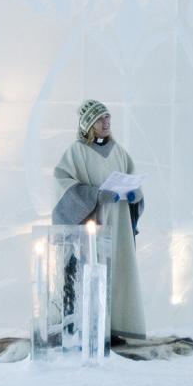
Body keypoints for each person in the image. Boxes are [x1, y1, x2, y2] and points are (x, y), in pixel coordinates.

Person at [52, 99, 146, 339]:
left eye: (108, 117)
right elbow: (62, 183)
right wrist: (95, 195)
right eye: (99, 119)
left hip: (119, 225)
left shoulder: (118, 151)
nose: (106, 122)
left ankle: (117, 328)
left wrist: (135, 195)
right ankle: (91, 332)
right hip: (93, 226)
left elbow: (132, 178)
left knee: (119, 272)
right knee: (93, 273)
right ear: (88, 125)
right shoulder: (77, 151)